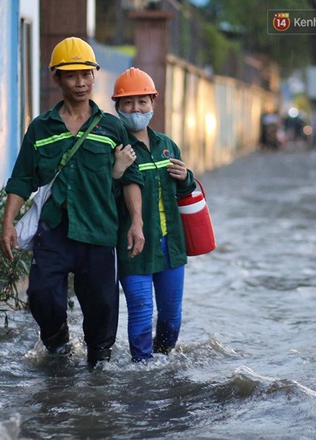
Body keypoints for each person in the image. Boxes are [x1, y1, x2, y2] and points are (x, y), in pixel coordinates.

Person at [0, 37, 145, 366]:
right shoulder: (41, 128)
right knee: (40, 295)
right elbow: (22, 178)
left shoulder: (111, 128)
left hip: (98, 230)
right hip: (54, 231)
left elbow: (131, 180)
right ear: (57, 80)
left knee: (102, 307)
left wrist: (136, 222)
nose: (80, 82)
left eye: (86, 74)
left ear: (94, 76)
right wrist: (7, 222)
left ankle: (99, 364)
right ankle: (57, 342)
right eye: (71, 76)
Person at [111, 67, 196, 362]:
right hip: (133, 245)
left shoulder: (167, 145)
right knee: (141, 311)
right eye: (128, 103)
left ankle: (162, 363)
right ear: (118, 108)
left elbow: (185, 192)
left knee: (171, 319)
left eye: (142, 102)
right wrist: (116, 170)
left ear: (153, 104)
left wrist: (186, 176)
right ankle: (142, 371)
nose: (136, 109)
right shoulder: (115, 148)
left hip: (170, 245)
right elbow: (102, 194)